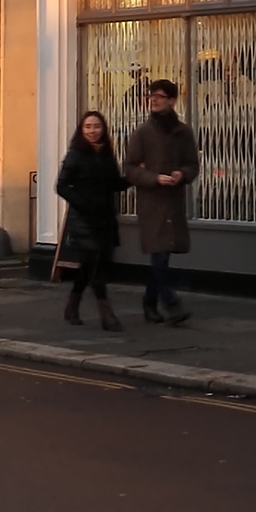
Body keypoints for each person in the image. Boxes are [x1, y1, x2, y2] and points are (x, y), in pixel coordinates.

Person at [125, 78, 199, 326]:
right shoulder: (143, 132)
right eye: (152, 96)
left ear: (172, 100)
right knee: (159, 253)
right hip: (152, 202)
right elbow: (130, 168)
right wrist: (154, 178)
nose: (154, 100)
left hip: (173, 202)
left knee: (162, 256)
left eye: (159, 96)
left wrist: (181, 174)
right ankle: (171, 303)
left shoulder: (183, 132)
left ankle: (149, 301)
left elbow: (192, 164)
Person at [56, 110, 127, 332]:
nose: (92, 131)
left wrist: (133, 178)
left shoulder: (106, 154)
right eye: (87, 127)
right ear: (81, 130)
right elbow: (62, 186)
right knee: (97, 267)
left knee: (90, 267)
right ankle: (107, 315)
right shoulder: (76, 154)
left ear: (103, 129)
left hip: (105, 219)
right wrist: (83, 202)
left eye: (96, 126)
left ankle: (72, 306)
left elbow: (114, 183)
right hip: (84, 221)